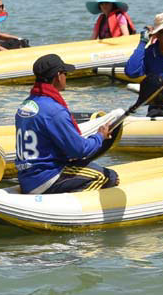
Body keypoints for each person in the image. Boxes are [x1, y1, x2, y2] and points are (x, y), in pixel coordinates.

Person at [14, 53, 117, 194]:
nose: (66, 77)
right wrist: (100, 136)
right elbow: (79, 150)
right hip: (45, 179)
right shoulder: (54, 111)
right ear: (58, 75)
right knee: (108, 177)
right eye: (65, 73)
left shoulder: (26, 104)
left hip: (26, 178)